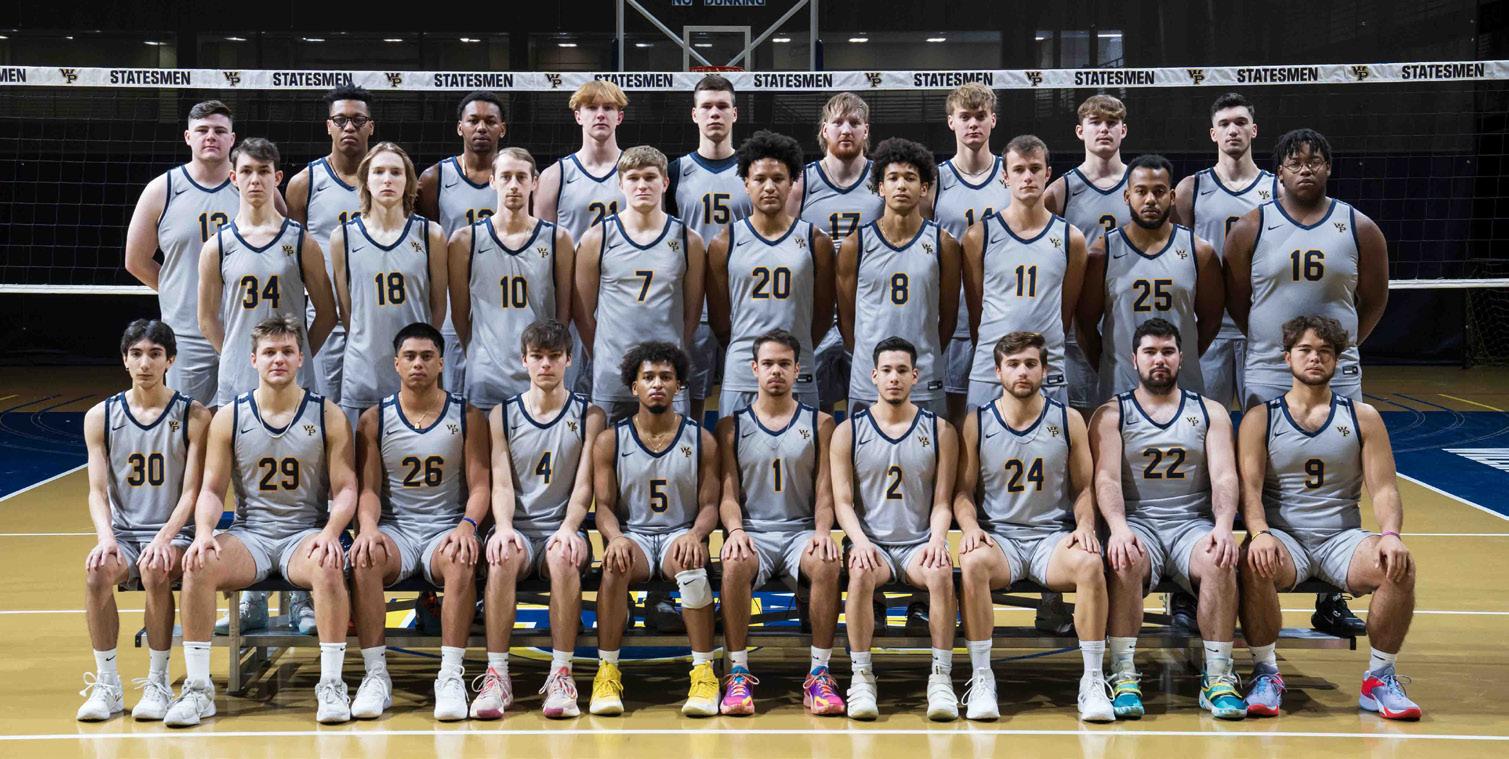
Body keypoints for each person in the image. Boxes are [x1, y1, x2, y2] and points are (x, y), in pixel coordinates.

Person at [1225, 127, 1388, 635]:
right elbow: (1237, 298)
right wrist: (1275, 346)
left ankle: (1331, 595)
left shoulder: (1358, 227)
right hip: (1269, 368)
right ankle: (1261, 566)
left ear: (1329, 168)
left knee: (1339, 472)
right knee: (1263, 471)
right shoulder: (1253, 226)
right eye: (1295, 162)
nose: (1305, 169)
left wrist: (1338, 350)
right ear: (1279, 171)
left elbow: (1375, 298)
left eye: (1315, 161)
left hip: (1336, 370)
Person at [165, 315, 359, 726]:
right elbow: (212, 490)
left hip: (304, 533)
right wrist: (204, 533)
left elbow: (346, 488)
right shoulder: (230, 417)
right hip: (250, 534)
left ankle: (331, 684)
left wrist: (330, 533)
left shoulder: (328, 414)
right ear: (253, 359)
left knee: (328, 564)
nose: (278, 359)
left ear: (301, 358)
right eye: (269, 352)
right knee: (198, 564)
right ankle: (198, 690)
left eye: (287, 351)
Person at [1237, 315, 1421, 720]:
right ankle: (1265, 673)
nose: (1315, 358)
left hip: (1342, 539)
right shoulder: (1261, 418)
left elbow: (1384, 488)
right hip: (1285, 538)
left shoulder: (1363, 417)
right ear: (1287, 357)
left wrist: (1391, 535)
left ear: (1337, 360)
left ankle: (1380, 679)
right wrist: (1260, 533)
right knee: (1252, 559)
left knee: (1398, 566)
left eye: (1324, 351)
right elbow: (1248, 489)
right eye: (1305, 349)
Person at [952, 331, 1114, 723]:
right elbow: (962, 493)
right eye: (1013, 364)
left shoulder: (1068, 420)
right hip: (1000, 539)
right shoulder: (977, 422)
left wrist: (1086, 526)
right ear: (998, 371)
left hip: (1051, 539)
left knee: (1091, 563)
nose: (1022, 372)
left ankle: (1093, 680)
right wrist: (970, 527)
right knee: (971, 562)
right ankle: (982, 678)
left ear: (1044, 369)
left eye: (1030, 364)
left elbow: (1083, 487)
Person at [1090, 318, 1245, 721]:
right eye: (1150, 352)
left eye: (1167, 352)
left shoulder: (1209, 412)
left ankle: (1218, 676)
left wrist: (1223, 527)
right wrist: (1118, 529)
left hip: (1191, 526)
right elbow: (1105, 478)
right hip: (1138, 523)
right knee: (1124, 556)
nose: (1159, 359)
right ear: (1134, 359)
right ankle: (1123, 672)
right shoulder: (1113, 413)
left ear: (1181, 357)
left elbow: (1225, 477)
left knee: (1220, 558)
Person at [347, 323, 490, 721]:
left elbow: (481, 485)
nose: (418, 364)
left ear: (441, 363)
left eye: (427, 357)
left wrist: (467, 526)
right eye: (409, 357)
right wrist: (368, 528)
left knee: (461, 557)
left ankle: (450, 675)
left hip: (446, 527)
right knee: (365, 557)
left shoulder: (467, 415)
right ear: (396, 364)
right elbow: (368, 490)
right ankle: (376, 675)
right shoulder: (374, 419)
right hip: (397, 531)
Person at [76, 321, 211, 722]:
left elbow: (192, 492)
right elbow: (97, 492)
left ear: (171, 360)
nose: (145, 363)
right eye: (136, 354)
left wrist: (165, 538)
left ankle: (158, 682)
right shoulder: (100, 416)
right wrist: (106, 538)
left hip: (177, 533)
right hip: (124, 534)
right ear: (124, 360)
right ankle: (107, 684)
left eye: (154, 354)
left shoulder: (193, 415)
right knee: (97, 572)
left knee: (156, 568)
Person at [477, 319, 604, 720]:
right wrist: (503, 527)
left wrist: (568, 529)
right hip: (516, 527)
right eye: (537, 357)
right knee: (500, 556)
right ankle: (497, 676)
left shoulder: (590, 414)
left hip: (563, 526)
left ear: (569, 359)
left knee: (564, 556)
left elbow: (584, 484)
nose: (545, 364)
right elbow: (501, 483)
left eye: (554, 356)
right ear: (524, 360)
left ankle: (561, 674)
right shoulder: (502, 414)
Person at [587, 342, 722, 717]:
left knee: (692, 567)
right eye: (648, 377)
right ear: (634, 387)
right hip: (635, 536)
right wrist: (615, 538)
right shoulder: (611, 440)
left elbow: (710, 505)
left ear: (680, 385)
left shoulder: (701, 439)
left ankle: (704, 673)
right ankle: (607, 672)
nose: (657, 384)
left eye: (666, 377)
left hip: (680, 532)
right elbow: (604, 508)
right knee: (614, 565)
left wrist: (696, 535)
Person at [715, 330, 845, 716]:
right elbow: (727, 494)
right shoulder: (731, 426)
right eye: (768, 364)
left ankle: (819, 674)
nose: (776, 371)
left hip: (800, 531)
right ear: (754, 369)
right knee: (733, 560)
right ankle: (738, 674)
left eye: (784, 364)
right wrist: (736, 531)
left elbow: (825, 491)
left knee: (826, 560)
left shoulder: (821, 423)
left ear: (797, 370)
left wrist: (822, 532)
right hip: (753, 530)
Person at [830, 337, 959, 721]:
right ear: (873, 375)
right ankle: (861, 676)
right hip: (873, 543)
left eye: (902, 370)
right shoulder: (849, 431)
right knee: (859, 570)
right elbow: (842, 502)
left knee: (941, 571)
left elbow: (943, 502)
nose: (894, 378)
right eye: (886, 370)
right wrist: (859, 542)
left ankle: (941, 677)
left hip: (919, 543)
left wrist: (937, 540)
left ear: (915, 376)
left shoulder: (940, 430)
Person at [199, 137, 337, 409]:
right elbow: (206, 320)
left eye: (263, 171)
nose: (255, 180)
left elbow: (327, 313)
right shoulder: (217, 246)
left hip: (294, 380)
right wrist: (236, 356)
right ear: (233, 178)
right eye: (246, 171)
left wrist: (298, 356)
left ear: (277, 177)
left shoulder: (301, 241)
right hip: (238, 379)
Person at [1078, 153, 1224, 405]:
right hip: (1121, 388)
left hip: (1183, 388)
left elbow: (1211, 321)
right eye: (1141, 191)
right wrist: (1112, 367)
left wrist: (1181, 359)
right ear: (1127, 196)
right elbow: (1084, 325)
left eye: (1159, 191)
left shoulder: (1199, 251)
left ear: (1172, 196)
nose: (1150, 200)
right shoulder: (1102, 253)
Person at [123, 100, 243, 406]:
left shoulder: (253, 186)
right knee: (190, 420)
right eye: (202, 130)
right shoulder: (162, 189)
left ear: (232, 139)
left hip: (244, 327)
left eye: (219, 131)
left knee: (245, 422)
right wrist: (178, 292)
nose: (211, 136)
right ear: (188, 137)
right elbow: (135, 261)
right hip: (187, 333)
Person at [707, 129, 833, 413]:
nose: (769, 187)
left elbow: (824, 315)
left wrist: (796, 349)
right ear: (746, 184)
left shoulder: (816, 241)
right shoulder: (724, 242)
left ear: (792, 183)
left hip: (797, 370)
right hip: (743, 371)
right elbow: (719, 320)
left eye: (778, 179)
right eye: (760, 179)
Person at [575, 146, 704, 422]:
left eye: (650, 177)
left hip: (667, 375)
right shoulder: (597, 237)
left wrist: (674, 350)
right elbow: (583, 314)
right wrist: (604, 354)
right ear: (620, 184)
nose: (642, 185)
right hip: (612, 374)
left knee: (672, 448)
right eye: (633, 178)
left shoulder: (688, 240)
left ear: (665, 182)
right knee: (607, 447)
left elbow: (692, 314)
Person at [839, 137, 960, 418]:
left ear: (924, 188)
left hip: (924, 375)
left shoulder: (944, 244)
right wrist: (868, 356)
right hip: (870, 377)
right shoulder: (855, 244)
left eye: (910, 178)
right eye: (893, 178)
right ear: (880, 187)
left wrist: (926, 353)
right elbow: (846, 319)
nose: (901, 185)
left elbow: (949, 318)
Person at [1170, 92, 1277, 409]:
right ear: (1213, 133)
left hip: (1259, 328)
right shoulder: (1191, 189)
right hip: (1208, 328)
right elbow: (1175, 257)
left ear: (1253, 130)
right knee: (1203, 422)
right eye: (1224, 124)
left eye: (1241, 122)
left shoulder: (1276, 190)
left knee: (1264, 422)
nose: (1233, 130)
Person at [330, 142, 448, 430]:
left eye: (396, 172)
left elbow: (437, 308)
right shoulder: (343, 237)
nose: (387, 179)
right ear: (365, 180)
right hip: (363, 370)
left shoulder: (430, 234)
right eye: (379, 172)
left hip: (416, 372)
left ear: (408, 181)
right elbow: (347, 312)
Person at [964, 134, 1086, 409]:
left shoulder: (1071, 238)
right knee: (980, 437)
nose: (1028, 177)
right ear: (1005, 177)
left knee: (1052, 438)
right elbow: (976, 311)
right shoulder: (979, 235)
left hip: (1048, 368)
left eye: (1035, 168)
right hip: (990, 368)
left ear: (1048, 173)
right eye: (1019, 170)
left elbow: (1065, 313)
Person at [449, 147, 574, 410]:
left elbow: (563, 315)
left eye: (521, 177)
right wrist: (481, 351)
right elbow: (460, 316)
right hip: (486, 374)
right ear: (492, 181)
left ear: (534, 182)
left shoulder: (558, 239)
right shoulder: (465, 240)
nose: (514, 185)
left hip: (539, 372)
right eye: (506, 177)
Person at [791, 92, 885, 412]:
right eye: (838, 122)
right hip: (816, 314)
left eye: (854, 123)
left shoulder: (883, 180)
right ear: (824, 130)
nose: (846, 130)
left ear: (866, 130)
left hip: (868, 314)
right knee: (814, 415)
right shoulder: (802, 182)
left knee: (870, 414)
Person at [924, 83, 1011, 429]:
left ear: (993, 120)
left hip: (1001, 314)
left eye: (980, 116)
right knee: (954, 418)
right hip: (954, 318)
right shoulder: (935, 180)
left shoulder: (1012, 175)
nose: (973, 124)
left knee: (1004, 417)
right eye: (965, 117)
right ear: (951, 122)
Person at [536, 81, 630, 397]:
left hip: (623, 298)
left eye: (608, 108)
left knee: (622, 394)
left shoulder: (638, 173)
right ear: (578, 116)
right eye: (591, 108)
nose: (600, 114)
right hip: (573, 300)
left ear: (619, 117)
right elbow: (541, 251)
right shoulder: (555, 176)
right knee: (568, 396)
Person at [285, 84, 374, 405]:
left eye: (358, 120)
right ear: (328, 126)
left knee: (379, 412)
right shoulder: (304, 184)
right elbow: (292, 256)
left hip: (376, 315)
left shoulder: (390, 179)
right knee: (324, 409)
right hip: (326, 318)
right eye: (340, 120)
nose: (349, 127)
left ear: (370, 126)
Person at [669, 74, 751, 423]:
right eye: (706, 107)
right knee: (693, 401)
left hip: (744, 302)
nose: (714, 113)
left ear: (735, 113)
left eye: (722, 106)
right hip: (694, 305)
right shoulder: (676, 171)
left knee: (747, 397)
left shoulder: (753, 170)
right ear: (694, 115)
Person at [1044, 94, 1131, 415]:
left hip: (1127, 316)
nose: (1104, 129)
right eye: (1095, 123)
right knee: (1080, 415)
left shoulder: (1141, 186)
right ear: (1080, 131)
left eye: (1112, 122)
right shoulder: (1060, 191)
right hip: (1079, 321)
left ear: (1124, 130)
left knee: (1128, 415)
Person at [419, 90, 508, 393]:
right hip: (454, 291)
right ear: (460, 127)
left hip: (501, 290)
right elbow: (427, 240)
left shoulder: (516, 176)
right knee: (454, 383)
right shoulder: (434, 178)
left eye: (490, 121)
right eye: (473, 121)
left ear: (502, 129)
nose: (481, 127)